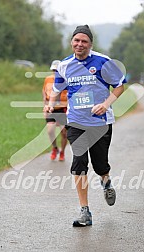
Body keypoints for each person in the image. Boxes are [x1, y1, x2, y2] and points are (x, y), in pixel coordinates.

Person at [44, 25, 126, 226]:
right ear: (72, 42)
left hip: (100, 123)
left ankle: (106, 181)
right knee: (79, 163)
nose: (80, 44)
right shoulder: (64, 65)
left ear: (90, 44)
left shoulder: (103, 62)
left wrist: (105, 104)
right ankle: (85, 211)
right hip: (76, 122)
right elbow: (56, 89)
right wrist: (51, 105)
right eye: (76, 40)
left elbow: (119, 86)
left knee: (100, 165)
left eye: (84, 41)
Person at [42, 60, 67, 161]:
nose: (55, 72)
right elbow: (44, 92)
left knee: (64, 132)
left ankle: (62, 152)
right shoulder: (48, 79)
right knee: (50, 130)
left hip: (63, 109)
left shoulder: (66, 80)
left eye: (57, 70)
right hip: (51, 109)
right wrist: (45, 107)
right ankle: (55, 148)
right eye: (54, 70)